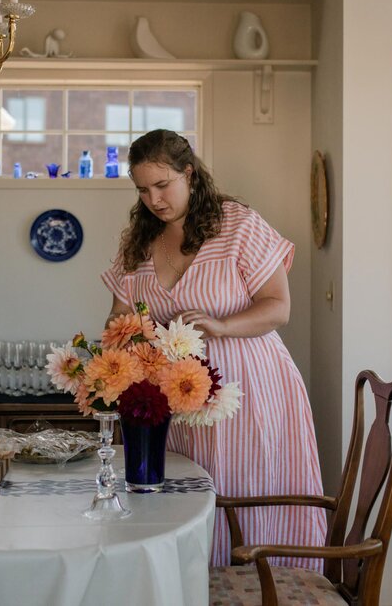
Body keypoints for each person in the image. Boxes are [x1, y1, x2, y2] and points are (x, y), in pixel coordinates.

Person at [101, 129, 328, 570]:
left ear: (189, 173)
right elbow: (117, 319)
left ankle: (261, 584)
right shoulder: (140, 241)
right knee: (193, 493)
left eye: (163, 185)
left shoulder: (237, 224)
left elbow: (278, 308)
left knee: (247, 487)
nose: (154, 199)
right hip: (178, 397)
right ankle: (196, 588)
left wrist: (222, 325)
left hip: (251, 391)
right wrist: (130, 337)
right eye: (143, 190)